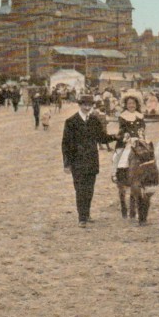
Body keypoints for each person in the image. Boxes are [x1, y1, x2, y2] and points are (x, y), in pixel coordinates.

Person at [61, 95, 117, 228]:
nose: (87, 107)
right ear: (80, 105)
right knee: (80, 189)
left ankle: (87, 213)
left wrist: (115, 137)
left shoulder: (94, 120)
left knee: (89, 189)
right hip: (77, 161)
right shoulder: (71, 121)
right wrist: (67, 163)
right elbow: (66, 144)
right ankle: (82, 217)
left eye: (89, 105)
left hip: (91, 159)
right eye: (84, 105)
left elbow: (101, 138)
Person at [112, 94, 146, 182]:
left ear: (137, 105)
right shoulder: (123, 116)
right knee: (119, 154)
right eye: (129, 103)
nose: (131, 105)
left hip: (138, 138)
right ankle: (115, 172)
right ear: (126, 105)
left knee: (146, 153)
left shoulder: (140, 116)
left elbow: (142, 127)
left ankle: (144, 173)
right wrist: (126, 136)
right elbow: (122, 128)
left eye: (133, 103)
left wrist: (141, 134)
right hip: (126, 139)